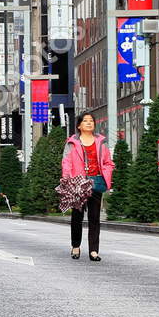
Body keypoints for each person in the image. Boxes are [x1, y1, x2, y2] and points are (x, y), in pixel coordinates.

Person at [61, 112, 114, 262]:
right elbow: (66, 162)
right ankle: (76, 246)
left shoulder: (101, 142)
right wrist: (66, 179)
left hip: (96, 182)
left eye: (91, 121)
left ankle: (94, 251)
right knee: (77, 217)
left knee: (94, 218)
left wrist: (107, 173)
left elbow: (108, 162)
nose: (89, 123)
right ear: (79, 125)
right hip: (78, 183)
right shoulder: (72, 142)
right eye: (85, 121)